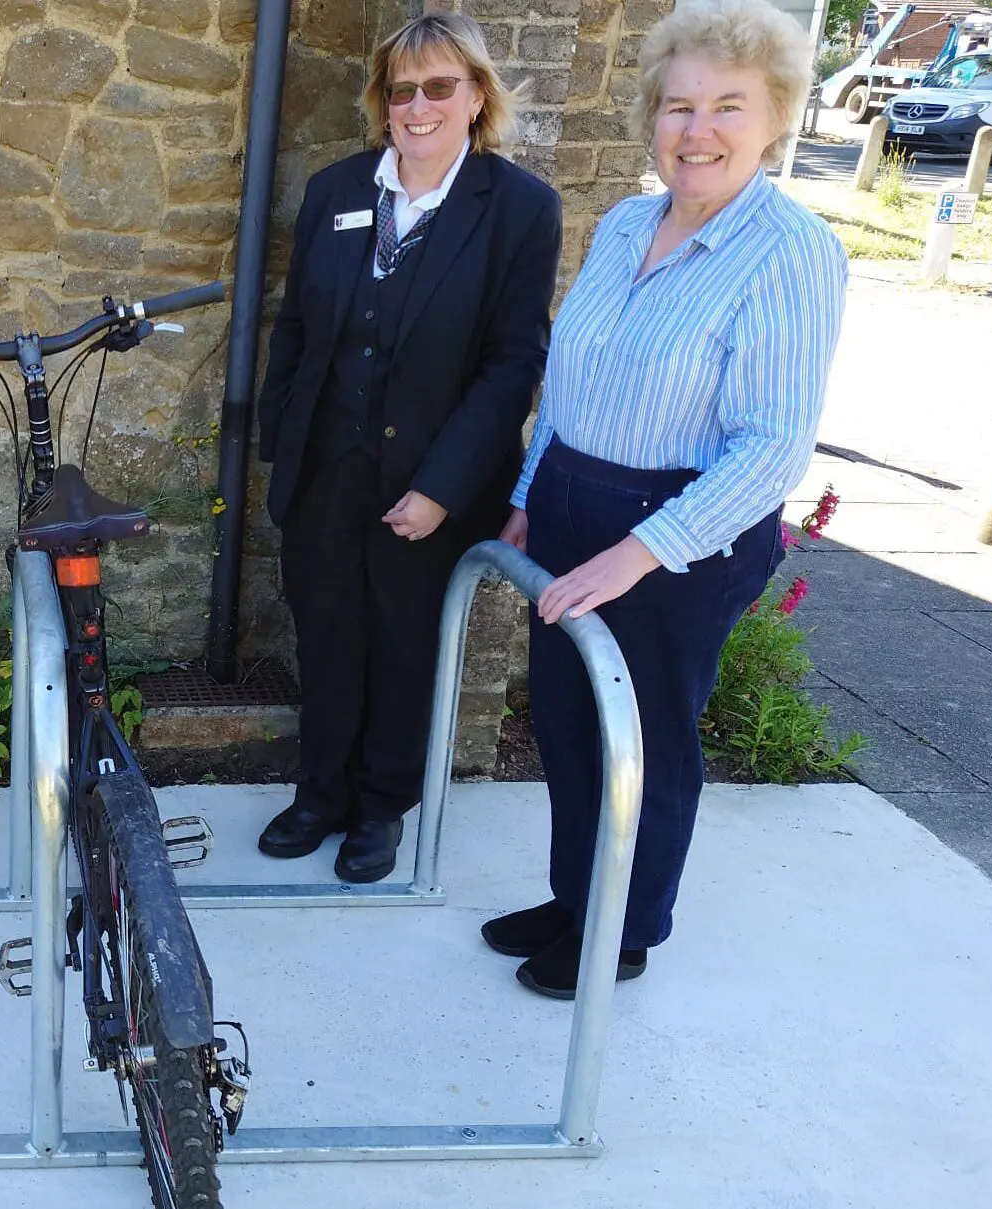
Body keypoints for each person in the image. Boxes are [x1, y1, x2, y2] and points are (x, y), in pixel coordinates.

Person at [483, 0, 848, 998]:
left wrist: (636, 552)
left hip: (681, 533)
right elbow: (573, 377)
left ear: (775, 117)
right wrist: (528, 492)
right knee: (566, 721)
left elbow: (771, 445)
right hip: (569, 506)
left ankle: (626, 929)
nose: (698, 131)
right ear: (652, 117)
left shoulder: (789, 251)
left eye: (729, 106)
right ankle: (574, 899)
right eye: (678, 106)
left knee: (641, 735)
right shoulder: (625, 223)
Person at [254, 12, 561, 883]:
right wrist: (285, 444)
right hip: (326, 467)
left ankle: (380, 805)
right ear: (382, 102)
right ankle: (320, 793)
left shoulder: (519, 210)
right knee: (326, 631)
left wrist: (443, 486)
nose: (418, 105)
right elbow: (298, 328)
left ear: (475, 99)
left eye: (438, 87)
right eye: (401, 89)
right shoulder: (336, 191)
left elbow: (512, 366)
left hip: (431, 478)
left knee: (402, 639)